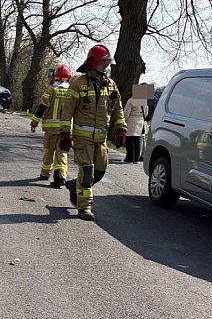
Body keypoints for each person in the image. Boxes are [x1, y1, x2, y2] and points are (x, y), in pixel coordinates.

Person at [58, 44, 127, 221]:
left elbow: (118, 108)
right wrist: (65, 133)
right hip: (82, 139)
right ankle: (84, 207)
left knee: (100, 172)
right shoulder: (78, 83)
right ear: (93, 62)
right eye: (104, 63)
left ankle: (74, 185)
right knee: (87, 173)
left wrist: (121, 127)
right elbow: (67, 111)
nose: (106, 67)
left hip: (101, 140)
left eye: (108, 64)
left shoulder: (110, 85)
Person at [31, 64, 72, 188]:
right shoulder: (72, 92)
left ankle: (44, 174)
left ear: (55, 77)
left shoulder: (51, 90)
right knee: (62, 153)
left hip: (51, 129)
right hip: (65, 130)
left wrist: (34, 123)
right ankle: (61, 177)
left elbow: (41, 108)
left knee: (49, 151)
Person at [123, 92, 148, 163]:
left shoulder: (131, 100)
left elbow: (126, 113)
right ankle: (137, 158)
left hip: (131, 121)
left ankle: (129, 158)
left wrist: (124, 121)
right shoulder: (144, 101)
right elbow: (146, 113)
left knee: (129, 140)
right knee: (138, 141)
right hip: (140, 121)